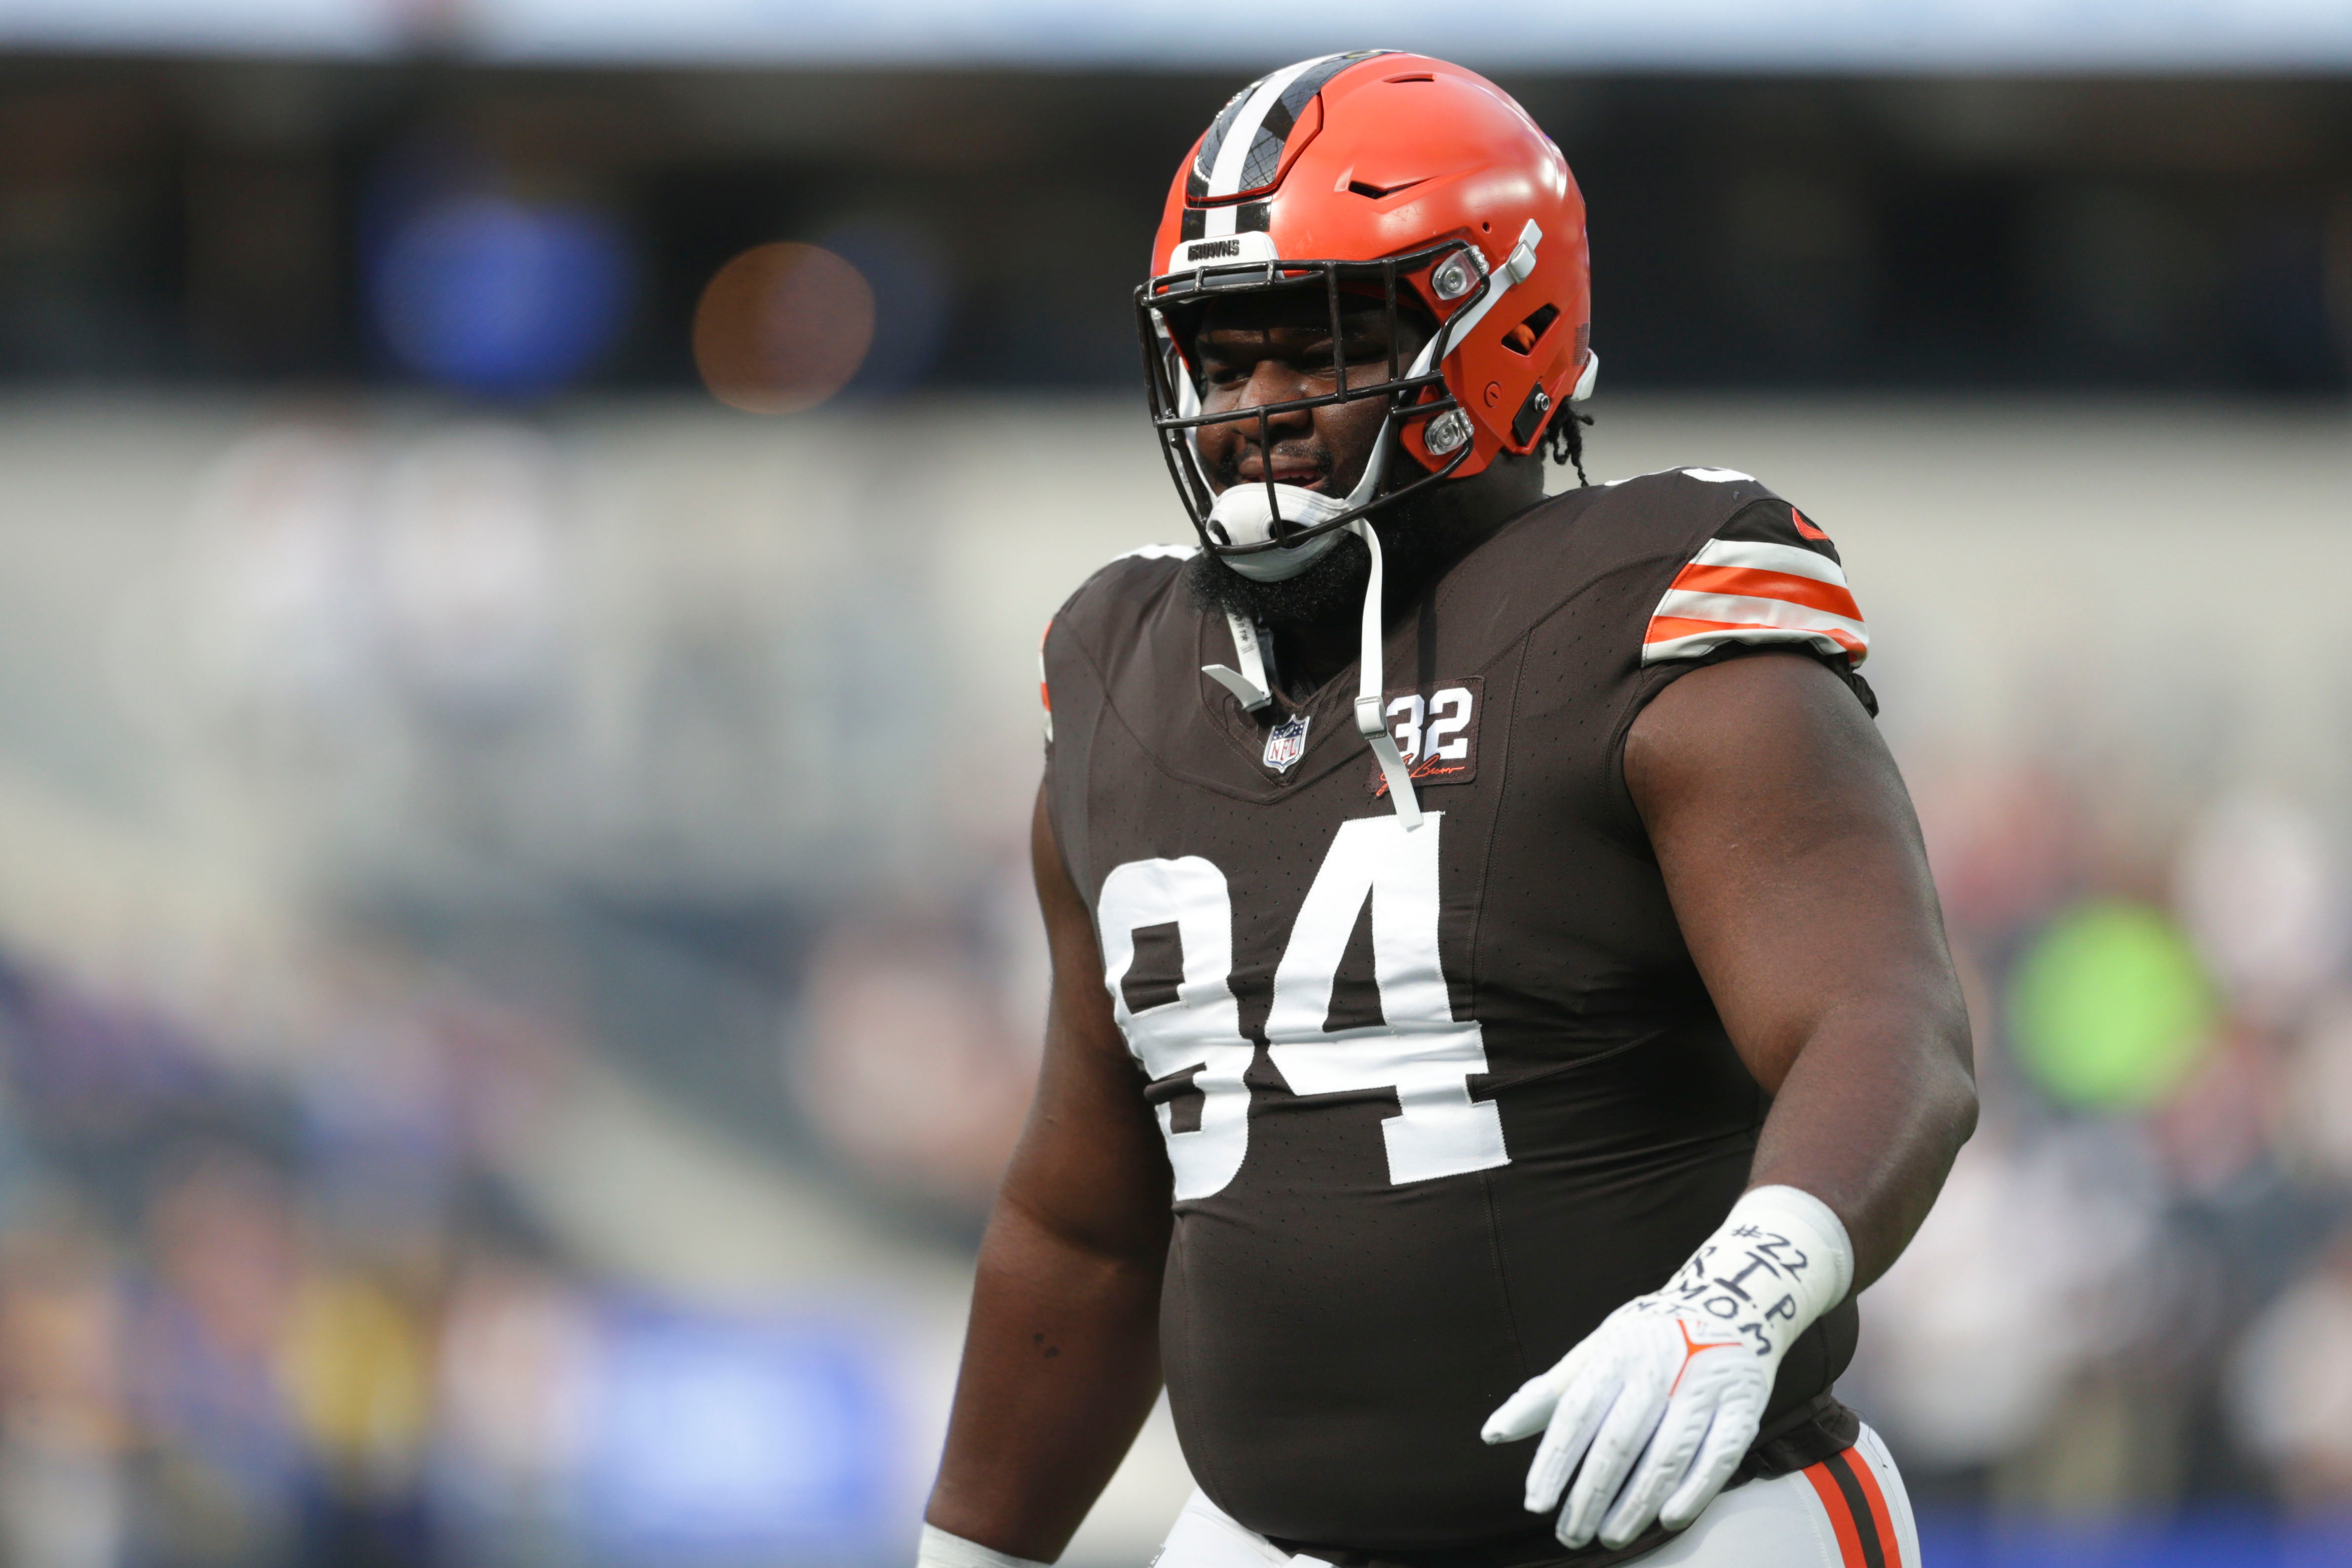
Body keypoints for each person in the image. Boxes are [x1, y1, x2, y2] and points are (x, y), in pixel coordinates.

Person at [922, 50, 1976, 1568]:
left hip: (1681, 1526)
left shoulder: (1649, 608)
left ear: (1499, 329)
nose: (1259, 406)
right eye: (1223, 360)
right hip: (1262, 1542)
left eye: (1318, 346)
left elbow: (1885, 1028)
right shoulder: (1123, 675)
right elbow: (1088, 1229)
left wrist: (1735, 1296)